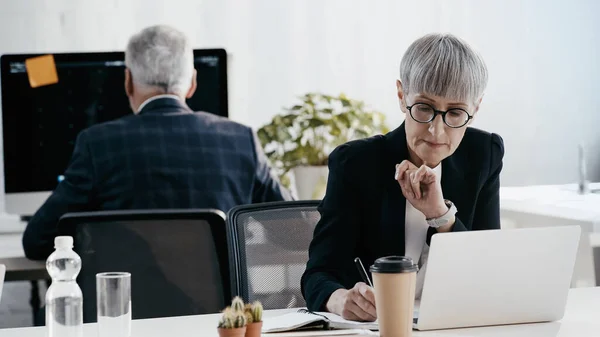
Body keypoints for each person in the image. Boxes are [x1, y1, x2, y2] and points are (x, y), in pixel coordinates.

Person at [23, 25, 292, 261]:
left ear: (128, 81)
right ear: (192, 83)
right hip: (221, 318)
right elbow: (293, 232)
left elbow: (37, 241)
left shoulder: (97, 144)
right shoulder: (241, 140)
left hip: (127, 314)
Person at [301, 33, 504, 321]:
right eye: (424, 108)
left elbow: (487, 270)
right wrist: (339, 299)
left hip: (452, 324)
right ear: (401, 96)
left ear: (476, 109)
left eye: (456, 113)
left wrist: (440, 215)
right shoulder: (356, 163)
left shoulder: (484, 154)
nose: (437, 131)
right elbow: (318, 274)